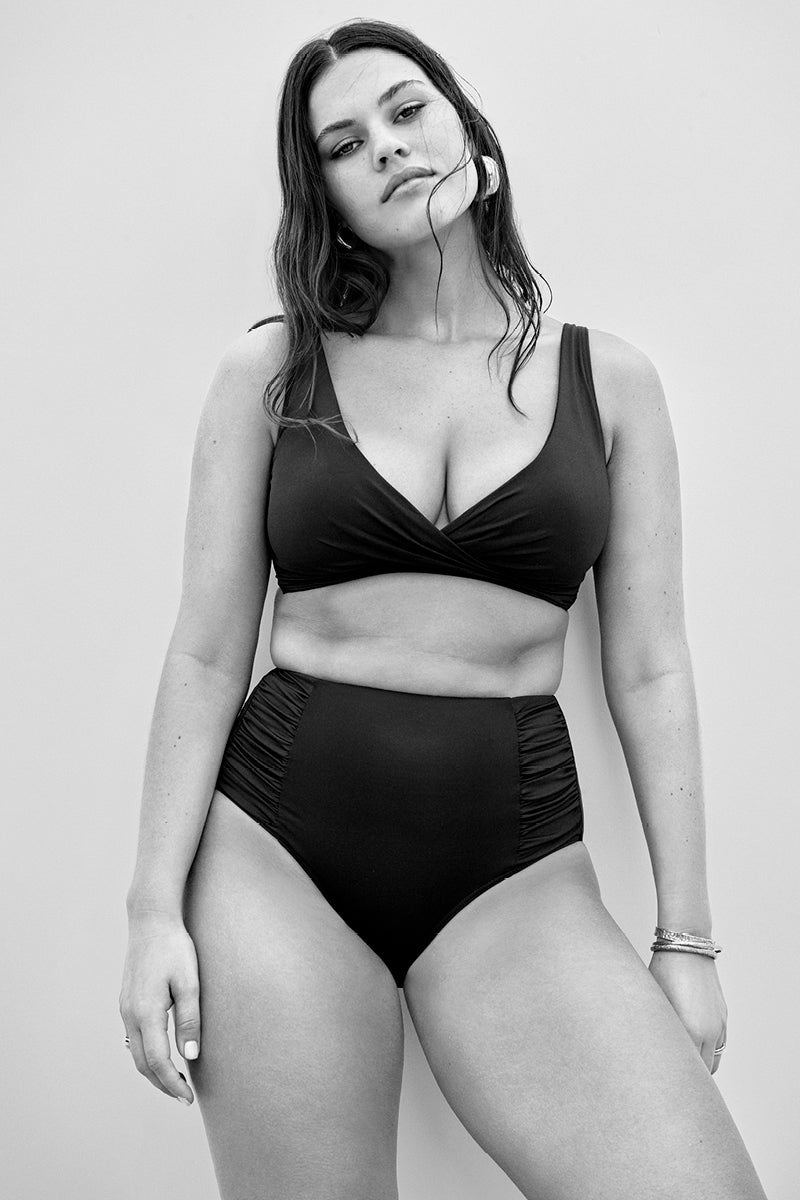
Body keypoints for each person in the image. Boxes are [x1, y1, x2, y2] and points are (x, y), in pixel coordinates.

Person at [119, 18, 768, 1200]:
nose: (384, 146)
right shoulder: (272, 371)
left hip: (513, 874)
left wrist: (684, 941)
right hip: (275, 860)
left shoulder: (610, 382)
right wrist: (151, 912)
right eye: (341, 144)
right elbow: (207, 654)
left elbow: (649, 671)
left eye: (406, 109)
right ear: (324, 197)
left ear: (467, 130)